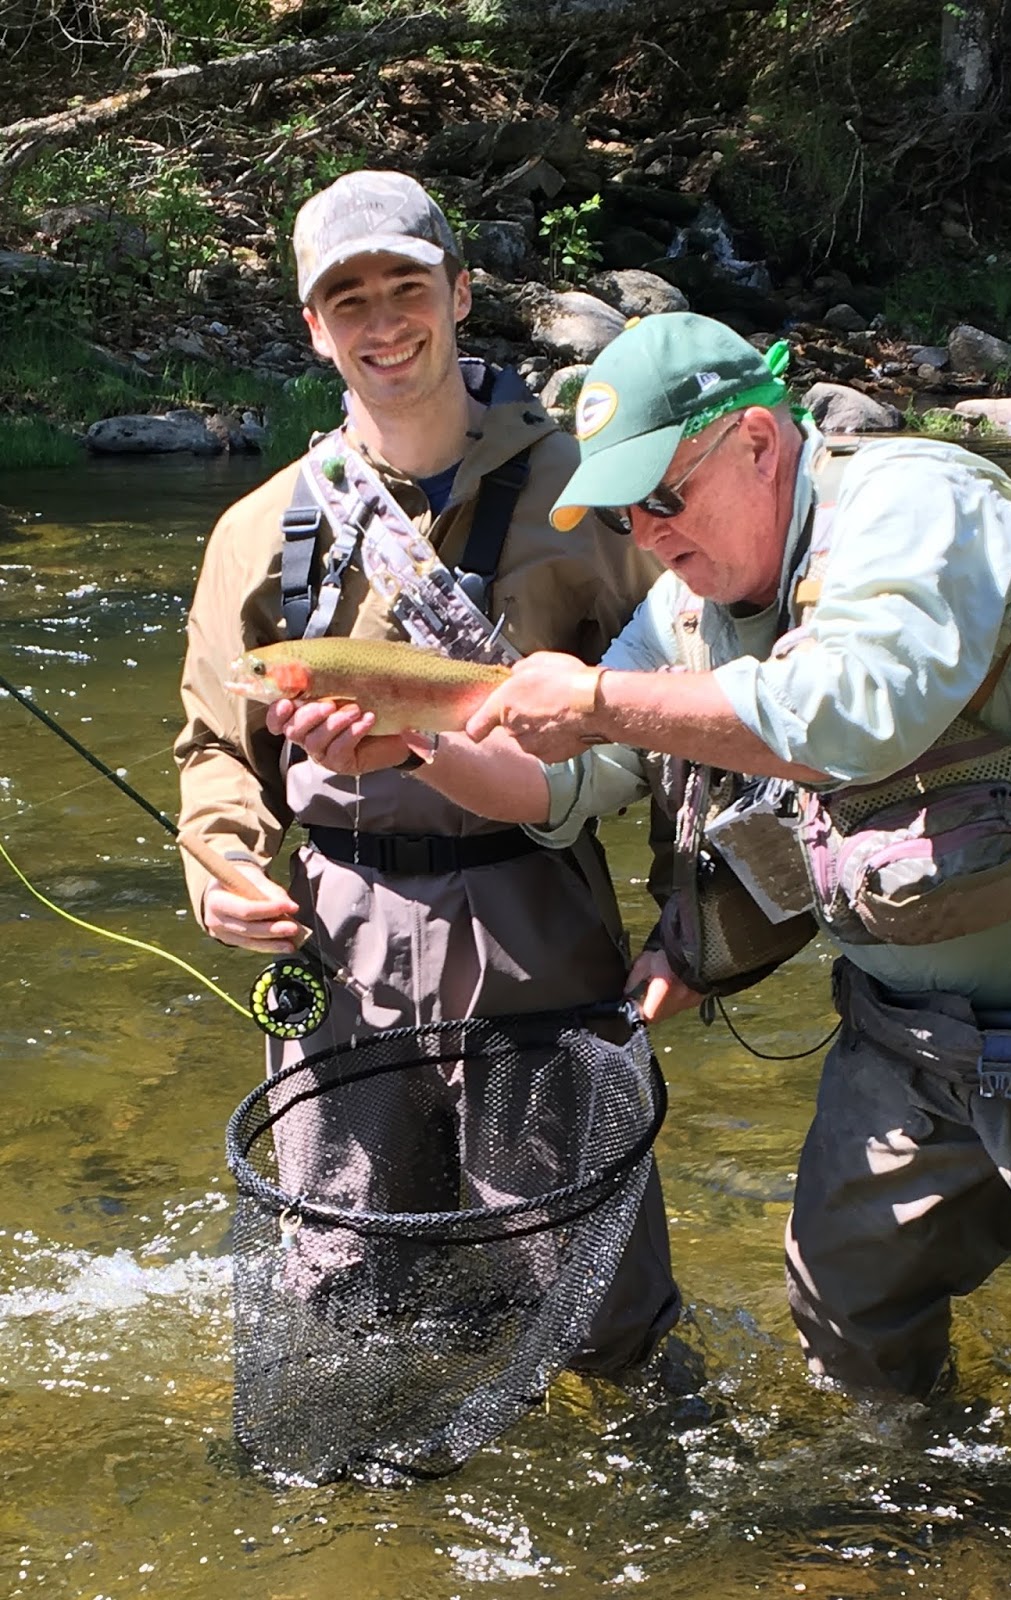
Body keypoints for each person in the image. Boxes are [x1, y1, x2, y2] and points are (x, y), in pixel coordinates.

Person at [277, 309, 1011, 1510]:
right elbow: (561, 790)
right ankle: (935, 1526)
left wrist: (603, 696)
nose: (649, 537)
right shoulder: (688, 608)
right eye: (622, 518)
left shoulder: (921, 505)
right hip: (919, 1028)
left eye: (664, 496)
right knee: (848, 1323)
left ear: (758, 442)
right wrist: (419, 749)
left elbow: (853, 710)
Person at [173, 170, 679, 1376]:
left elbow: (688, 731)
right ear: (313, 325)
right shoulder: (258, 529)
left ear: (460, 293)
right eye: (349, 300)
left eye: (408, 287)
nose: (383, 321)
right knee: (349, 1302)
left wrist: (699, 930)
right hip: (340, 944)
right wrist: (223, 867)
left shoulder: (590, 495)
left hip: (538, 923)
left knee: (596, 1309)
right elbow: (211, 751)